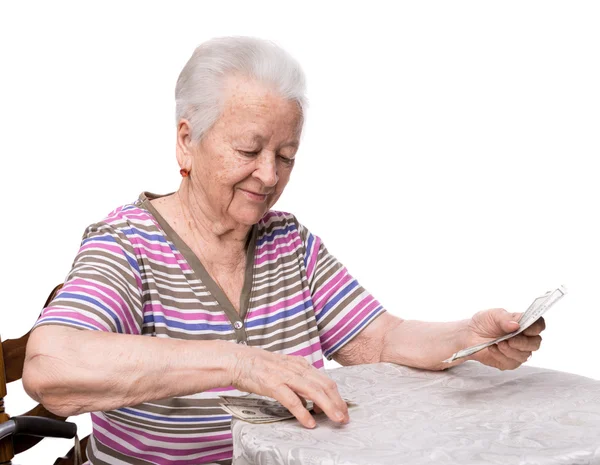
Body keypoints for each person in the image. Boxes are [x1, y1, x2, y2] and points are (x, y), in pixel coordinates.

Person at [22, 36, 545, 465]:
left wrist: (467, 337)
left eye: (286, 155)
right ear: (186, 141)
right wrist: (238, 365)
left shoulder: (288, 243)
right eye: (249, 151)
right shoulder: (126, 243)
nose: (269, 175)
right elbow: (51, 367)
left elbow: (382, 341)